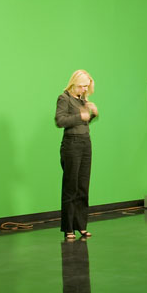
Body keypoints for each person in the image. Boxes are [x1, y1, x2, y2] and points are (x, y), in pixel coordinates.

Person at [55, 70, 98, 240]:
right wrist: (80, 115)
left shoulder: (83, 100)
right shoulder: (64, 98)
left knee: (83, 187)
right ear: (73, 83)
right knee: (70, 187)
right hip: (71, 144)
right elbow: (60, 120)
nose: (84, 89)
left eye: (86, 86)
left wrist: (92, 114)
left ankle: (81, 225)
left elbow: (84, 121)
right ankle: (68, 228)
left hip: (85, 143)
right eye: (81, 86)